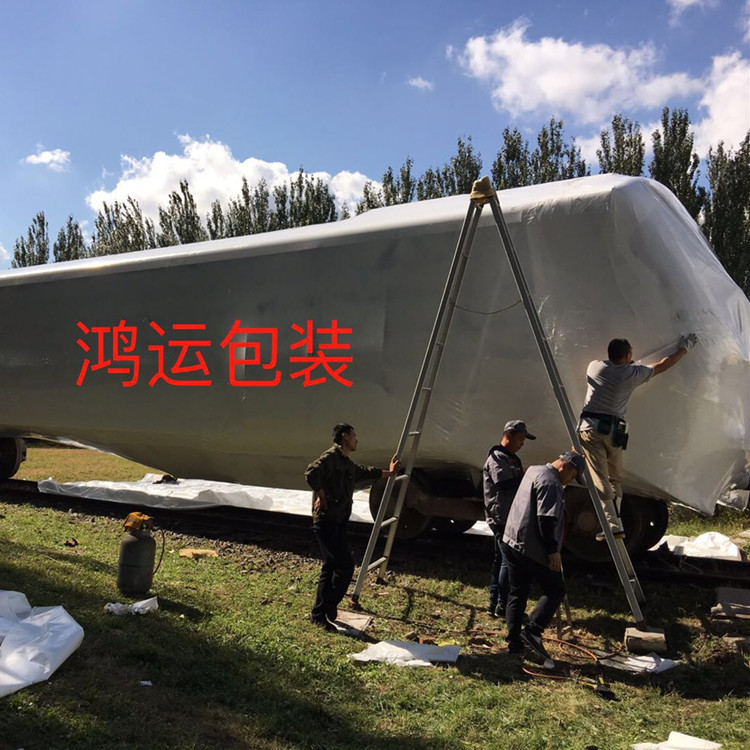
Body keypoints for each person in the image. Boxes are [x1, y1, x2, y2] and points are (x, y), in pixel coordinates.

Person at [577, 334, 698, 539]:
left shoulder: (595, 367)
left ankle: (612, 524)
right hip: (615, 433)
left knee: (599, 478)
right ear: (627, 356)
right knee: (614, 478)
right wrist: (684, 348)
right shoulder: (632, 374)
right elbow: (663, 364)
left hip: (591, 429)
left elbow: (609, 366)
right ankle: (616, 522)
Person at [305, 423, 400, 631]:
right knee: (340, 566)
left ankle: (326, 609)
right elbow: (311, 473)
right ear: (345, 436)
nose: (357, 440)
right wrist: (321, 496)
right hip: (326, 521)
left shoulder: (346, 463)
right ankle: (321, 612)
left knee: (335, 567)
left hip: (338, 521)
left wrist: (390, 473)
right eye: (354, 436)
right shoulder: (331, 457)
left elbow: (365, 472)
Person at [502, 451, 586, 659]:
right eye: (573, 475)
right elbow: (545, 520)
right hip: (531, 546)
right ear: (564, 466)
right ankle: (533, 631)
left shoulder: (534, 470)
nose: (571, 480)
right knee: (556, 589)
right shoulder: (551, 484)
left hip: (512, 540)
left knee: (517, 592)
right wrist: (552, 551)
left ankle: (514, 644)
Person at [483, 420, 536, 619]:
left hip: (509, 515)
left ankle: (494, 603)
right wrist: (528, 478)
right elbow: (504, 484)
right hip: (501, 517)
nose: (522, 443)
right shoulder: (497, 457)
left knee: (500, 559)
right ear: (508, 435)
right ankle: (503, 606)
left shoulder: (512, 458)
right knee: (508, 561)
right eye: (520, 439)